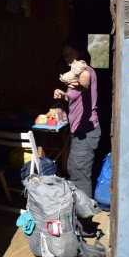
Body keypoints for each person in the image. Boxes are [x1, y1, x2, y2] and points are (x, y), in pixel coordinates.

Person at [53, 38, 101, 199]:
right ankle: (78, 214)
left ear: (79, 53)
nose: (66, 56)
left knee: (80, 175)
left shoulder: (85, 71)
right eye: (64, 54)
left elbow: (85, 85)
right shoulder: (73, 75)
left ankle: (85, 218)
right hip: (78, 131)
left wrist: (80, 86)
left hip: (86, 132)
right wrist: (64, 96)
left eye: (69, 53)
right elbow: (76, 98)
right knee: (73, 169)